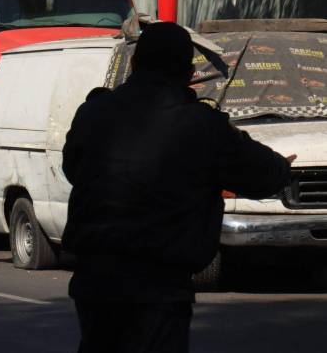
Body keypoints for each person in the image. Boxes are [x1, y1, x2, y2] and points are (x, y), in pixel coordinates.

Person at [61, 23, 293, 353]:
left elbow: (73, 168)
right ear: (188, 72)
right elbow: (262, 176)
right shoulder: (202, 125)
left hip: (95, 280)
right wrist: (282, 166)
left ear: (133, 65)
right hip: (158, 285)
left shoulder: (93, 113)